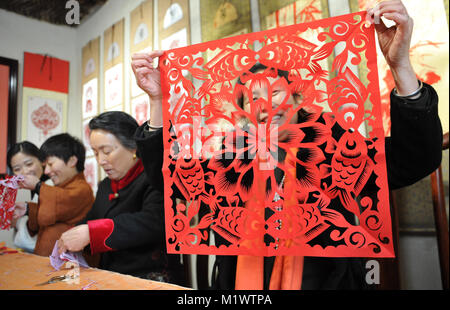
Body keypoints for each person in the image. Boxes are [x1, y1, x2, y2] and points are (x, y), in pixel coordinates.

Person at [131, 0, 443, 289]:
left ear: (296, 97)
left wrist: (399, 65)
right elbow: (173, 181)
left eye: (274, 93)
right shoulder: (232, 154)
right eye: (251, 98)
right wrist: (158, 100)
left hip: (326, 280)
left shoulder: (330, 141)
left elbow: (412, 159)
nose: (262, 104)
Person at [57, 111, 185, 284]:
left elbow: (154, 221)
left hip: (150, 278)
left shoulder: (154, 179)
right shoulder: (105, 186)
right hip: (111, 276)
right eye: (96, 153)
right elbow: (91, 219)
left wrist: (93, 233)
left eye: (107, 151)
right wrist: (74, 234)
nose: (101, 160)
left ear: (133, 147)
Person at [14, 134, 94, 256]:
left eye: (50, 164)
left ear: (72, 161)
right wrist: (28, 209)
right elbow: (54, 213)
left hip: (70, 264)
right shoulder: (59, 189)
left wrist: (38, 186)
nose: (46, 171)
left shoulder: (83, 188)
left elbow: (62, 202)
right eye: (45, 166)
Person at [7, 141, 48, 252]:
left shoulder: (52, 187)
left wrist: (19, 222)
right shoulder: (19, 190)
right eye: (17, 169)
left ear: (41, 161)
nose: (24, 172)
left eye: (29, 164)